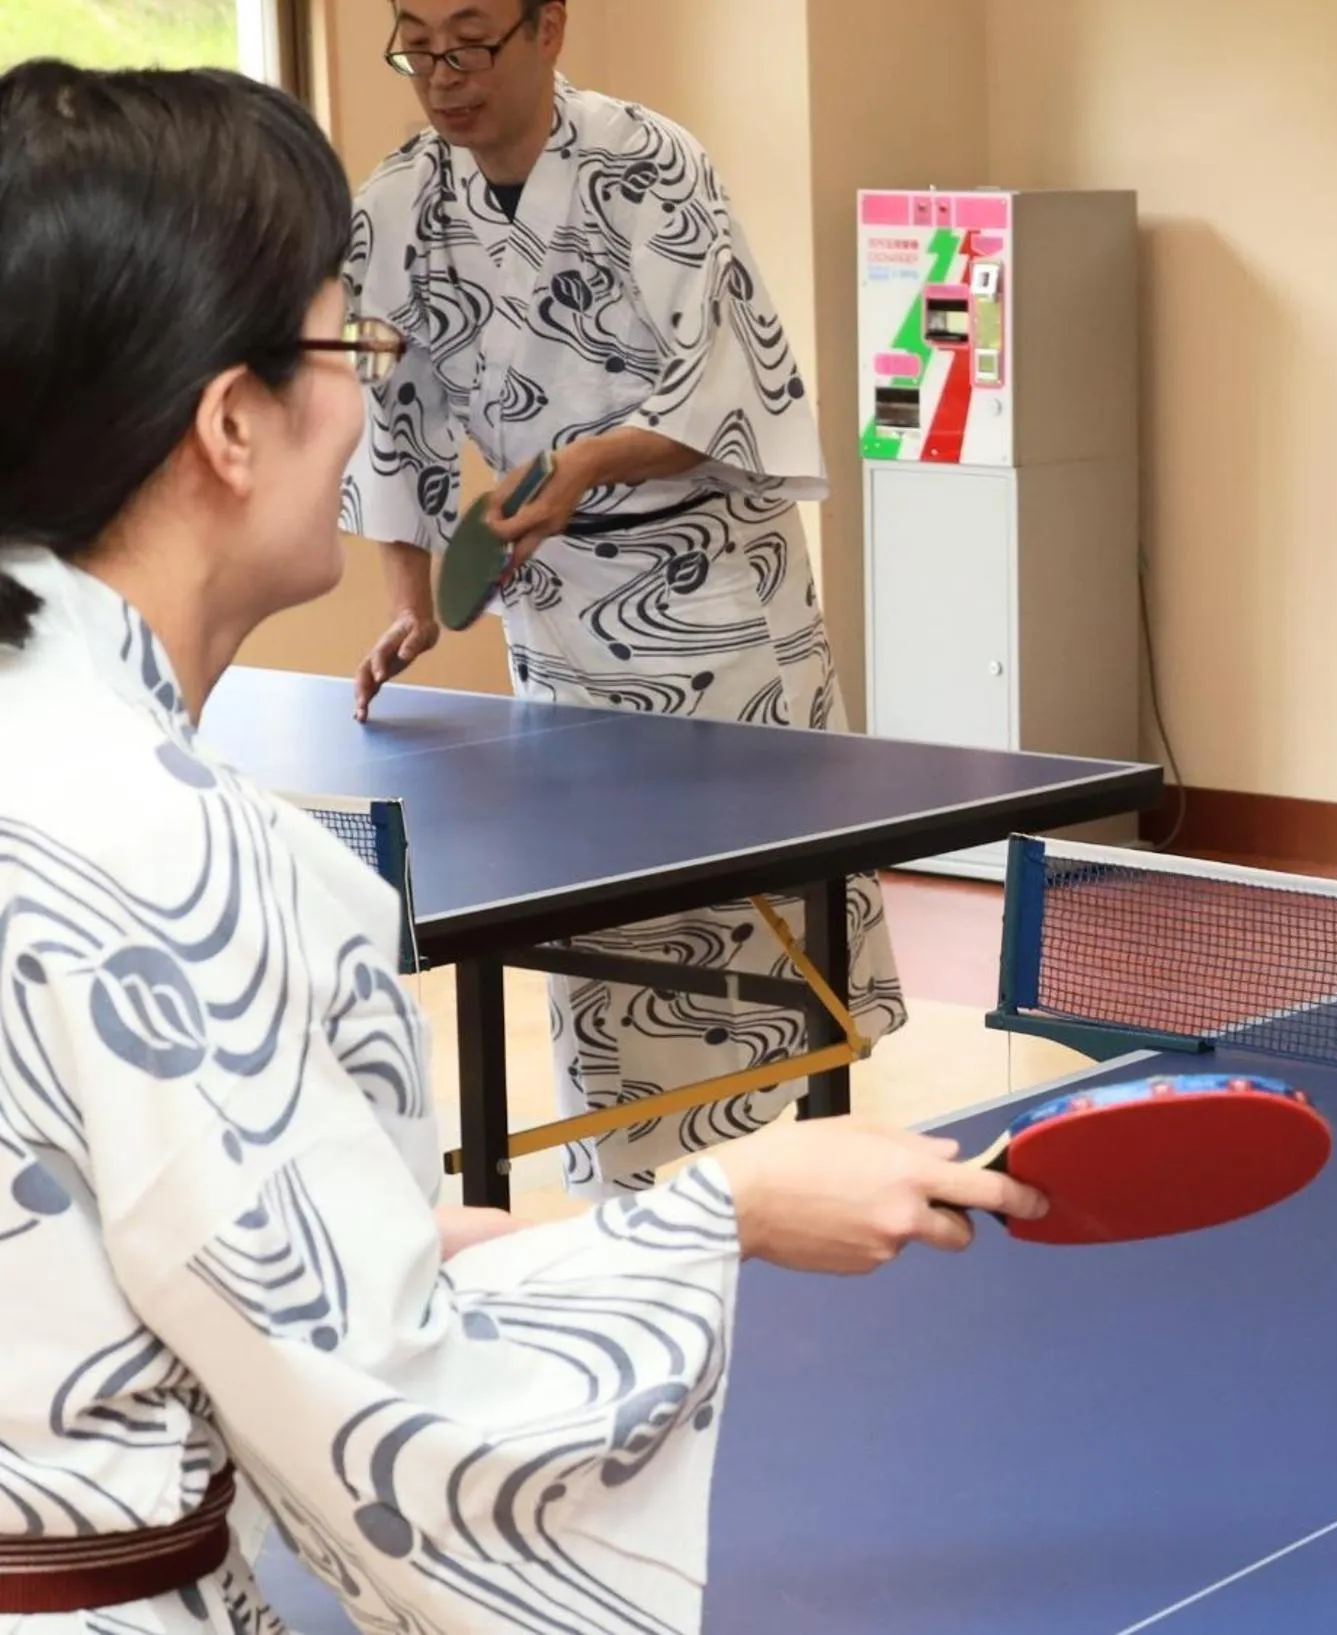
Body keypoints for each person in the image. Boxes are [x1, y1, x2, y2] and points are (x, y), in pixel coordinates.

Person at [0, 60, 1041, 1631]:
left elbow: (134, 1231)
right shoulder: (181, 860)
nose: (369, 392)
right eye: (343, 343)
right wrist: (726, 1204)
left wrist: (413, 1239)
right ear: (230, 422)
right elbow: (399, 1417)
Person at [341, 0, 905, 1198]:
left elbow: (727, 389)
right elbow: (391, 416)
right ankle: (630, 1201)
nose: (442, 75)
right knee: (595, 919)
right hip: (561, 609)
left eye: (471, 42)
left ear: (549, 28)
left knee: (766, 914)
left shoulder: (652, 165)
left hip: (722, 597)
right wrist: (406, 596)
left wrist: (584, 465)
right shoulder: (395, 203)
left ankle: (806, 1168)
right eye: (416, 46)